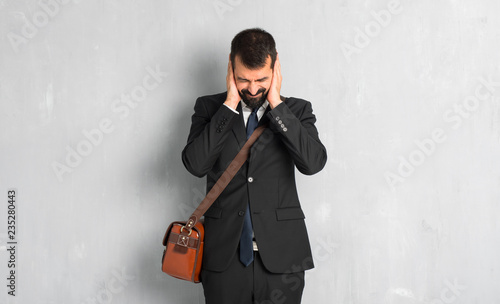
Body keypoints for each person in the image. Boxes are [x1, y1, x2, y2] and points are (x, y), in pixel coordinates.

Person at [181, 28, 327, 304]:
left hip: (283, 259)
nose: (252, 88)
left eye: (262, 79)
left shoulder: (296, 111)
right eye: (243, 79)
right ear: (230, 66)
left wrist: (276, 105)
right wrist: (229, 105)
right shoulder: (210, 109)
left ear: (276, 66)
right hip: (224, 259)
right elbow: (196, 165)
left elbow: (313, 163)